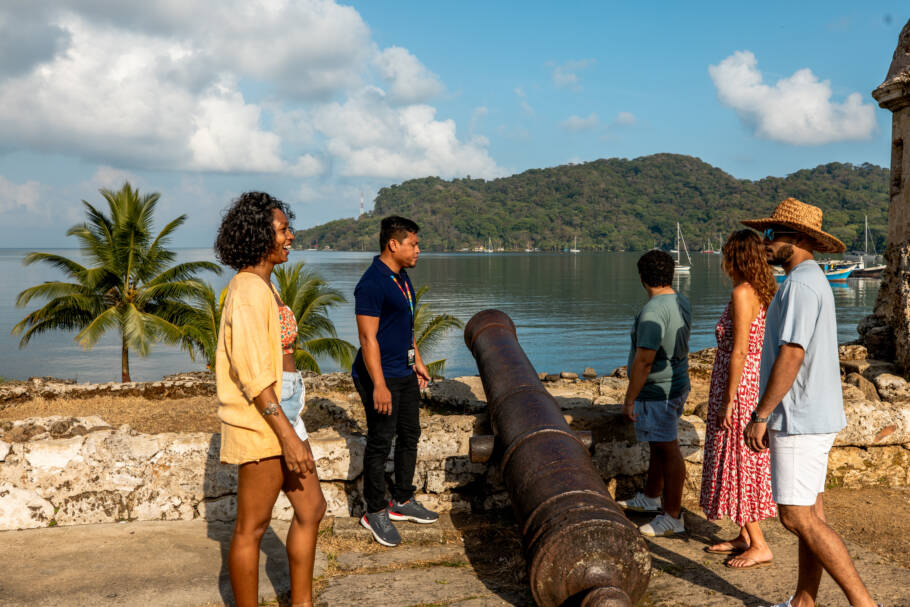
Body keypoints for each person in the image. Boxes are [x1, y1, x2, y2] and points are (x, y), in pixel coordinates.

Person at [742, 198, 881, 607]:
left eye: (772, 235)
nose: (764, 242)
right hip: (813, 413)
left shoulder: (801, 285)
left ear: (799, 239)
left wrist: (761, 414)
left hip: (799, 418)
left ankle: (864, 603)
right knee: (812, 516)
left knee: (795, 517)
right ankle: (805, 600)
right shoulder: (809, 280)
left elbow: (792, 353)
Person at [214, 192, 326, 607]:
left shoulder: (266, 285)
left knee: (311, 508)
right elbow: (253, 374)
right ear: (259, 236)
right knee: (252, 527)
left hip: (285, 412)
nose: (290, 236)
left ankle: (302, 603)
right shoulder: (246, 290)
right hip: (263, 420)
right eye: (282, 230)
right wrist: (287, 435)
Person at [353, 215, 437, 547]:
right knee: (380, 441)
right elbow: (367, 338)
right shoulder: (372, 283)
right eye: (413, 244)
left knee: (410, 435)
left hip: (403, 372)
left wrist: (416, 359)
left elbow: (406, 326)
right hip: (379, 375)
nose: (418, 250)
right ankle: (374, 511)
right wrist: (379, 385)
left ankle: (402, 500)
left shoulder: (401, 278)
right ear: (394, 244)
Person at [699, 230, 777, 569]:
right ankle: (745, 533)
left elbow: (741, 349)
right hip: (752, 382)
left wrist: (728, 399)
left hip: (740, 386)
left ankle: (759, 544)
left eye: (727, 255)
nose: (723, 262)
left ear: (736, 257)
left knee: (737, 461)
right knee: (738, 460)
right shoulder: (765, 291)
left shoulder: (743, 293)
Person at [618, 249, 692, 537]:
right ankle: (650, 496)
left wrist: (630, 398)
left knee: (667, 448)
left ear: (642, 277)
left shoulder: (652, 312)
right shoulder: (680, 300)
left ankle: (672, 514)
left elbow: (645, 359)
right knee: (658, 445)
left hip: (657, 390)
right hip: (676, 383)